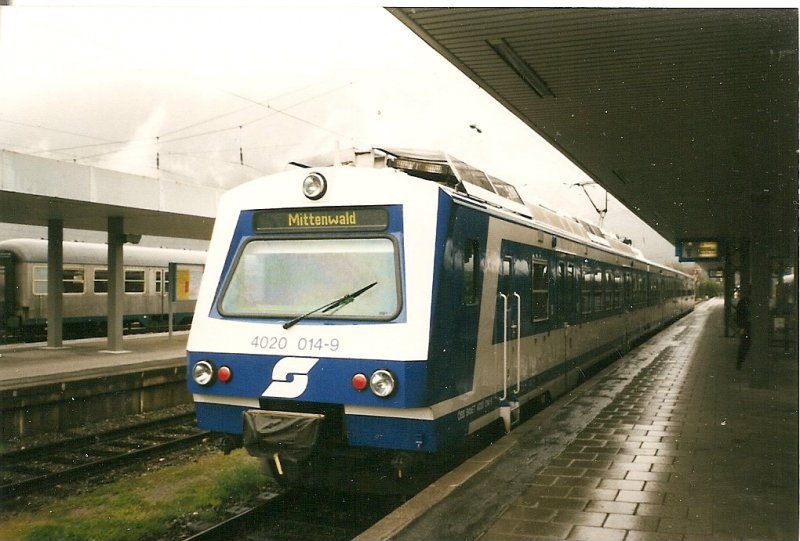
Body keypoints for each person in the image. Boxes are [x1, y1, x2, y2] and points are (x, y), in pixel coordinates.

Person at [735, 286, 751, 370]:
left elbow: (738, 315)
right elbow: (739, 315)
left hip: (746, 326)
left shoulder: (742, 302)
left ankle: (740, 362)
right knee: (745, 345)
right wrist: (741, 327)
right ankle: (740, 361)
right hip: (747, 326)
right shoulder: (744, 302)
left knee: (744, 344)